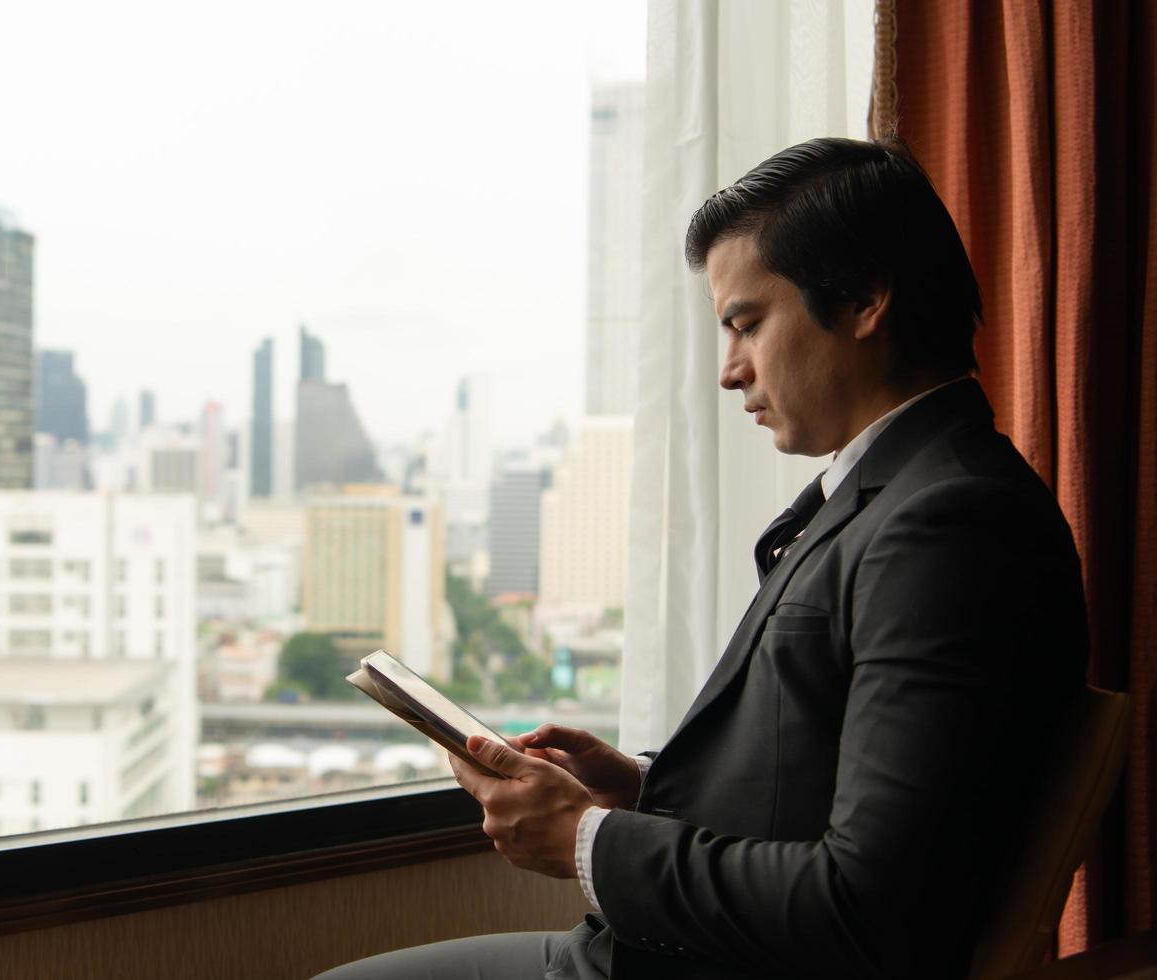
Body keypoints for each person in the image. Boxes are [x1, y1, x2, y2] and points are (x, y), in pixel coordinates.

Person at [316, 137, 1088, 979]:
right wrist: (643, 791)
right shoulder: (900, 496)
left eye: (746, 324)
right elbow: (823, 786)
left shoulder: (949, 524)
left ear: (866, 298)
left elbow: (872, 904)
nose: (730, 372)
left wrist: (585, 840)